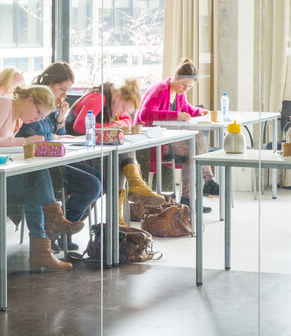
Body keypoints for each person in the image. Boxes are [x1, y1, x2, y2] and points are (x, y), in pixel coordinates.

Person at [0, 84, 82, 271]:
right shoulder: (2, 104)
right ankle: (49, 231)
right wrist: (26, 142)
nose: (37, 119)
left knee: (35, 182)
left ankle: (43, 248)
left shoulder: (18, 120)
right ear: (29, 99)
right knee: (36, 178)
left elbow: (0, 146)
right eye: (38, 112)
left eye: (42, 117)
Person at [16, 62, 102, 249]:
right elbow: (40, 136)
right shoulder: (34, 99)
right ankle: (57, 231)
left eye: (67, 90)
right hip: (38, 166)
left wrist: (60, 119)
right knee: (92, 185)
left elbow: (58, 137)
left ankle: (61, 230)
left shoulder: (53, 104)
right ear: (49, 82)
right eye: (61, 88)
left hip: (52, 159)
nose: (64, 95)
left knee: (100, 179)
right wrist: (55, 133)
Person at [136, 58, 219, 212]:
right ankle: (206, 183)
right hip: (151, 141)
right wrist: (174, 115)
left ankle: (188, 199)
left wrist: (199, 112)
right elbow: (144, 115)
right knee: (195, 143)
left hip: (166, 139)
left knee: (194, 148)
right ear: (175, 76)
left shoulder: (179, 93)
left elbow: (185, 108)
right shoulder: (160, 89)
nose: (185, 89)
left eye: (189, 87)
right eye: (183, 85)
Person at [68, 79, 166, 207]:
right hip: (77, 153)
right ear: (118, 95)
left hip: (93, 148)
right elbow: (79, 126)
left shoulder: (115, 101)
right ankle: (135, 186)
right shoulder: (99, 97)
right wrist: (112, 126)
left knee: (122, 157)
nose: (121, 113)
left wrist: (116, 125)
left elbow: (128, 121)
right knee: (121, 161)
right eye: (123, 108)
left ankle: (133, 188)